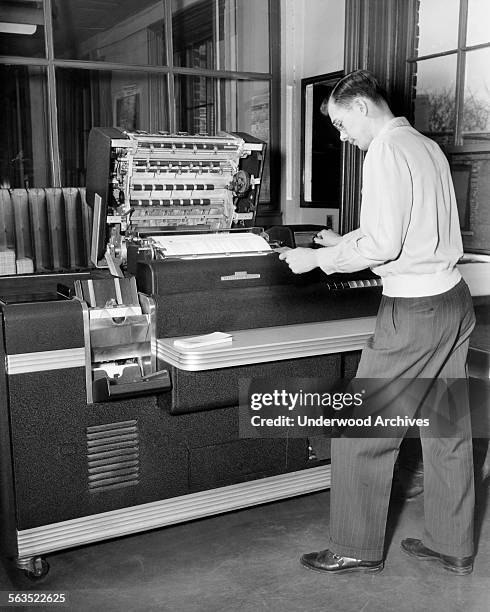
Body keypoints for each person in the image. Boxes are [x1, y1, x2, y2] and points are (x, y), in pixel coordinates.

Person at [279, 69, 476, 575]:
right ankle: (453, 544)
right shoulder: (424, 145)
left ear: (362, 108)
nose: (344, 138)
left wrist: (315, 261)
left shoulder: (385, 150)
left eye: (343, 125)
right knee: (447, 428)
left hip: (413, 310)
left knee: (361, 430)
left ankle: (354, 546)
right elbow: (399, 225)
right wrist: (342, 243)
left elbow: (385, 245)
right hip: (453, 299)